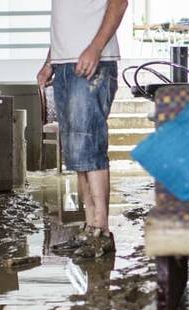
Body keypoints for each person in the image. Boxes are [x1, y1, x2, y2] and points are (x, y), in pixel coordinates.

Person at [38, 0, 128, 255]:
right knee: (78, 152)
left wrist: (95, 48)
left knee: (90, 146)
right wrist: (50, 61)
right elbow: (65, 26)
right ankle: (90, 228)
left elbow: (119, 3)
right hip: (65, 64)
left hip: (93, 61)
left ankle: (101, 231)